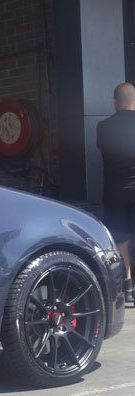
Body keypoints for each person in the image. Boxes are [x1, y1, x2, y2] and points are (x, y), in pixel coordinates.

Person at [96, 82, 135, 305]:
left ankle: (126, 287)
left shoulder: (103, 127)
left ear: (115, 101)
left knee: (120, 242)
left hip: (115, 192)